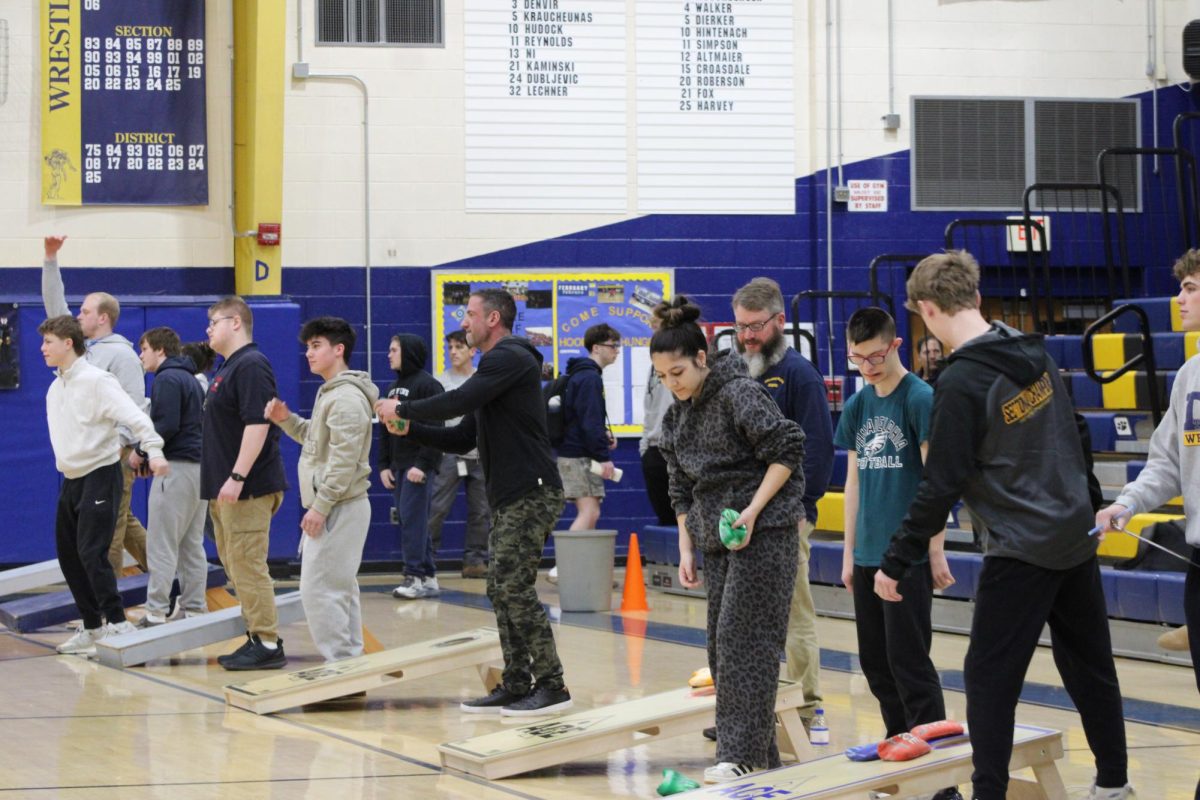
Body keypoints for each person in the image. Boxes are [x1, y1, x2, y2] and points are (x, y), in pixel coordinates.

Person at [875, 251, 1131, 800]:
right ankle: (1114, 783)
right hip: (1075, 537)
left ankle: (989, 794)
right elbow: (1077, 434)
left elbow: (939, 483)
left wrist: (896, 559)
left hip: (1022, 549)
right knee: (1090, 668)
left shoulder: (962, 381)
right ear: (975, 295)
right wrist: (1087, 505)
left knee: (989, 680)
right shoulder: (1031, 348)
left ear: (926, 309)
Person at [376, 288, 571, 716]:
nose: (464, 323)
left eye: (469, 314)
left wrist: (405, 409)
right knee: (499, 587)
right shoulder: (495, 370)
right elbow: (465, 434)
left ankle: (552, 684)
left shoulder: (510, 358)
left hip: (532, 490)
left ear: (494, 319)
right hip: (512, 494)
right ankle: (518, 682)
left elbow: (456, 399)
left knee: (514, 587)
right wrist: (412, 431)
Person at [654, 295, 806, 783]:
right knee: (722, 650)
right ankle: (762, 759)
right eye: (661, 377)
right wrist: (685, 546)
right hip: (716, 539)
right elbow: (679, 485)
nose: (671, 384)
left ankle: (737, 755)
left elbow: (788, 448)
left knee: (745, 642)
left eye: (677, 372)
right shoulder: (677, 417)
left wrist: (753, 510)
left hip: (767, 531)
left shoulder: (739, 392)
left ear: (701, 359)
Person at [835, 307, 960, 800]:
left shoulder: (920, 398)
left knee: (911, 665)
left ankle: (940, 781)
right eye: (856, 358)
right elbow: (853, 484)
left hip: (904, 558)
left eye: (875, 356)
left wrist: (935, 551)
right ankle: (899, 749)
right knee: (876, 664)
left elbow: (935, 483)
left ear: (895, 347)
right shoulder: (859, 405)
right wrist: (848, 554)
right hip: (867, 557)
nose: (866, 366)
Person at [1097, 248, 1200, 696]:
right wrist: (1126, 502)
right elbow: (1166, 464)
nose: (1179, 299)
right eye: (1181, 288)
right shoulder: (1188, 376)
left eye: (1190, 289)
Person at [731, 277, 833, 727]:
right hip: (743, 518)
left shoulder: (800, 376)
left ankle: (807, 706)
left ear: (780, 322)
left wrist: (799, 509)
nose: (748, 335)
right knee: (744, 619)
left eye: (756, 326)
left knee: (793, 613)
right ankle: (753, 710)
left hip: (787, 516)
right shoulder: (736, 372)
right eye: (741, 327)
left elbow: (819, 451)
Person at [40, 315, 167, 656]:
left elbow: (137, 417)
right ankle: (92, 627)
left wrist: (153, 451)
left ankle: (118, 623)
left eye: (48, 342)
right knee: (69, 557)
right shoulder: (56, 388)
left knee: (92, 553)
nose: (42, 348)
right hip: (71, 480)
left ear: (68, 343)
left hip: (101, 473)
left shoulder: (98, 381)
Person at [265, 317, 377, 662]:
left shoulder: (344, 399)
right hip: (337, 506)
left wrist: (320, 507)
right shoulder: (331, 393)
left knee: (318, 590)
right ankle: (349, 663)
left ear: (338, 349)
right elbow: (317, 442)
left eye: (316, 346)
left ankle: (341, 664)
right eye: (308, 347)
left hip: (339, 506)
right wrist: (286, 419)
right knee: (339, 589)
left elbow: (344, 462)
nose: (308, 354)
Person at [42, 235, 149, 575]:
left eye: (85, 311)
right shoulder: (78, 348)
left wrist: (121, 448)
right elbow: (54, 307)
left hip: (109, 456)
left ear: (102, 318)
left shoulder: (121, 355)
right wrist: (50, 259)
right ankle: (171, 575)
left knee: (107, 533)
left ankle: (109, 610)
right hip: (85, 455)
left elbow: (134, 407)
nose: (77, 314)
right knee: (124, 520)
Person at [202, 296, 289, 671]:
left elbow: (259, 423)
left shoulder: (251, 364)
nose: (208, 330)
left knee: (249, 565)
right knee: (235, 565)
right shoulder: (228, 367)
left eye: (214, 322)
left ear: (235, 322)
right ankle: (256, 635)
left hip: (248, 488)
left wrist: (237, 477)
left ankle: (268, 643)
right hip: (225, 489)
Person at [134, 327, 208, 626]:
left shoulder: (166, 378)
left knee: (161, 543)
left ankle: (155, 611)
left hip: (176, 469)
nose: (141, 356)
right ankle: (195, 609)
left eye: (144, 349)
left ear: (160, 351)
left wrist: (140, 451)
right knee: (191, 544)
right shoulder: (191, 379)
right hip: (200, 470)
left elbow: (165, 424)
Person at [379, 333, 444, 599]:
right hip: (400, 465)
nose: (388, 354)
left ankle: (413, 577)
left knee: (413, 522)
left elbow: (436, 427)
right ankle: (428, 577)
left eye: (394, 349)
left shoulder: (430, 386)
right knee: (410, 520)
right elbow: (384, 429)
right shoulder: (393, 388)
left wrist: (424, 464)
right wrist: (384, 464)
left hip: (418, 466)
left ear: (409, 352)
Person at [428, 330, 491, 579]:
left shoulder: (482, 380)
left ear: (472, 351)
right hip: (449, 454)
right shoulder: (440, 382)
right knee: (437, 507)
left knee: (481, 510)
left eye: (459, 347)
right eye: (450, 347)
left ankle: (474, 561)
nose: (453, 352)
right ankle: (427, 558)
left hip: (480, 455)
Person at [557, 322, 619, 529]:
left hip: (574, 454)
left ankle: (577, 562)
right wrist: (603, 458)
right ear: (596, 348)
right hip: (579, 456)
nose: (616, 351)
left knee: (591, 513)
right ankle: (568, 562)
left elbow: (583, 418)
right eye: (612, 345)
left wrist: (604, 434)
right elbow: (589, 423)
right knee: (589, 512)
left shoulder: (582, 375)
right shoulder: (590, 378)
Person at [640, 314, 677, 526]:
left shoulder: (681, 367)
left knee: (683, 518)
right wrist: (644, 447)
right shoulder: (653, 369)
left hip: (675, 450)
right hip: (654, 450)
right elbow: (649, 409)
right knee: (665, 519)